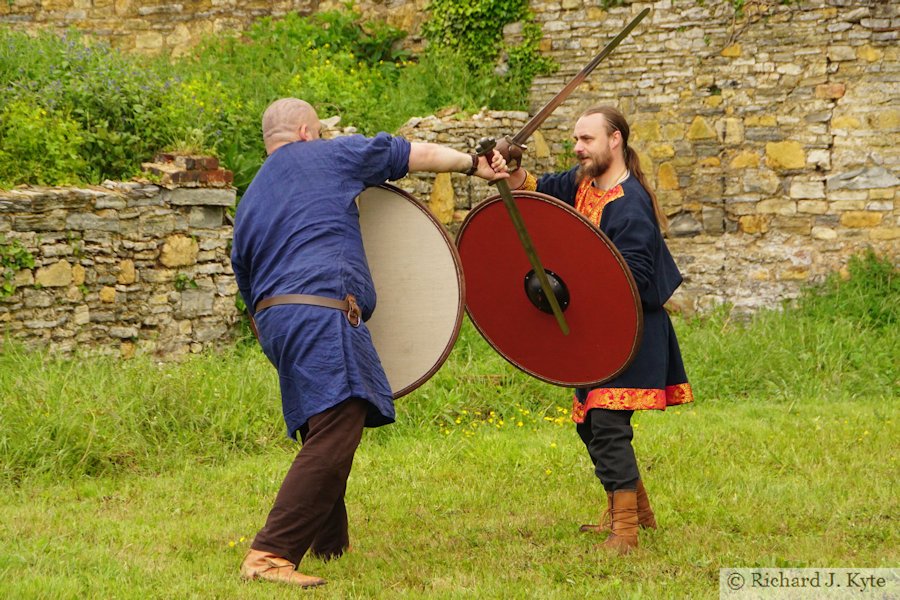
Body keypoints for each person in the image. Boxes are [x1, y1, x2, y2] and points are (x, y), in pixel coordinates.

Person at [231, 97, 508, 588]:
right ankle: (270, 553)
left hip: (274, 321)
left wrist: (274, 329)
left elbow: (244, 274)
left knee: (324, 422)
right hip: (321, 307)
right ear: (305, 132)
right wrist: (473, 164)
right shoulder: (328, 155)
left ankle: (330, 543)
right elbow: (408, 153)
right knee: (340, 422)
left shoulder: (251, 195)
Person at [503, 105, 693, 554]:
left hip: (631, 332)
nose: (577, 147)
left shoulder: (632, 206)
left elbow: (636, 282)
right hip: (595, 333)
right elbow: (535, 190)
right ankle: (638, 513)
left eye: (586, 139)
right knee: (589, 425)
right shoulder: (583, 182)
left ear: (615, 141)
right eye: (575, 139)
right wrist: (507, 166)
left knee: (607, 423)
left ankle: (624, 531)